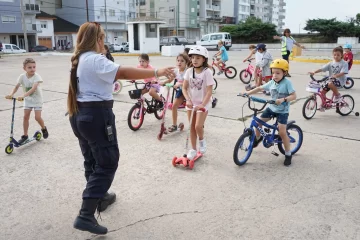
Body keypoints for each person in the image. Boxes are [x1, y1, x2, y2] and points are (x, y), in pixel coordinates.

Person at [67, 22, 175, 235]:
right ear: (97, 39)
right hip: (96, 116)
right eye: (103, 38)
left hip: (79, 115)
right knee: (107, 163)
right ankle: (85, 214)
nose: (104, 42)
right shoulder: (95, 59)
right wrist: (156, 71)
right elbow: (123, 72)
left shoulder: (78, 59)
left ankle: (100, 196)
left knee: (92, 159)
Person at [242, 59, 296, 166]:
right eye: (273, 72)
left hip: (282, 111)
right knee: (258, 123)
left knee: (282, 132)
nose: (274, 75)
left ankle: (288, 154)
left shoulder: (287, 83)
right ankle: (258, 138)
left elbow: (294, 96)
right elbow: (259, 88)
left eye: (278, 73)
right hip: (271, 108)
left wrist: (283, 99)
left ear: (284, 73)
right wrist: (247, 93)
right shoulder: (271, 82)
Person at [5, 58, 49, 143]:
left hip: (37, 100)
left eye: (34, 67)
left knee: (37, 117)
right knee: (25, 117)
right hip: (28, 100)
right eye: (29, 67)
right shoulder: (22, 77)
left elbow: (33, 88)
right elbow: (17, 86)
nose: (32, 69)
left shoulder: (37, 76)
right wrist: (11, 94)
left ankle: (43, 128)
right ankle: (25, 135)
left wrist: (22, 96)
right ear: (24, 68)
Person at [182, 46, 215, 160]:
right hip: (191, 103)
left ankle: (201, 140)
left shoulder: (207, 72)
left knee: (197, 126)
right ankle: (193, 149)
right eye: (193, 58)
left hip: (203, 103)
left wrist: (202, 104)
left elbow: (209, 91)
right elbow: (184, 88)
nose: (195, 60)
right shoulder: (189, 71)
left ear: (204, 59)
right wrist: (187, 99)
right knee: (191, 127)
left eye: (198, 58)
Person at [168, 53, 190, 132]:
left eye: (182, 61)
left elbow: (189, 82)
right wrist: (162, 82)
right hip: (181, 92)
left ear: (186, 63)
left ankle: (195, 123)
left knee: (190, 108)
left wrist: (180, 84)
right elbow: (170, 79)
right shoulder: (176, 71)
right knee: (174, 106)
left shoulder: (188, 71)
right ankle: (174, 125)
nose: (179, 62)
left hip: (189, 92)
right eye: (178, 60)